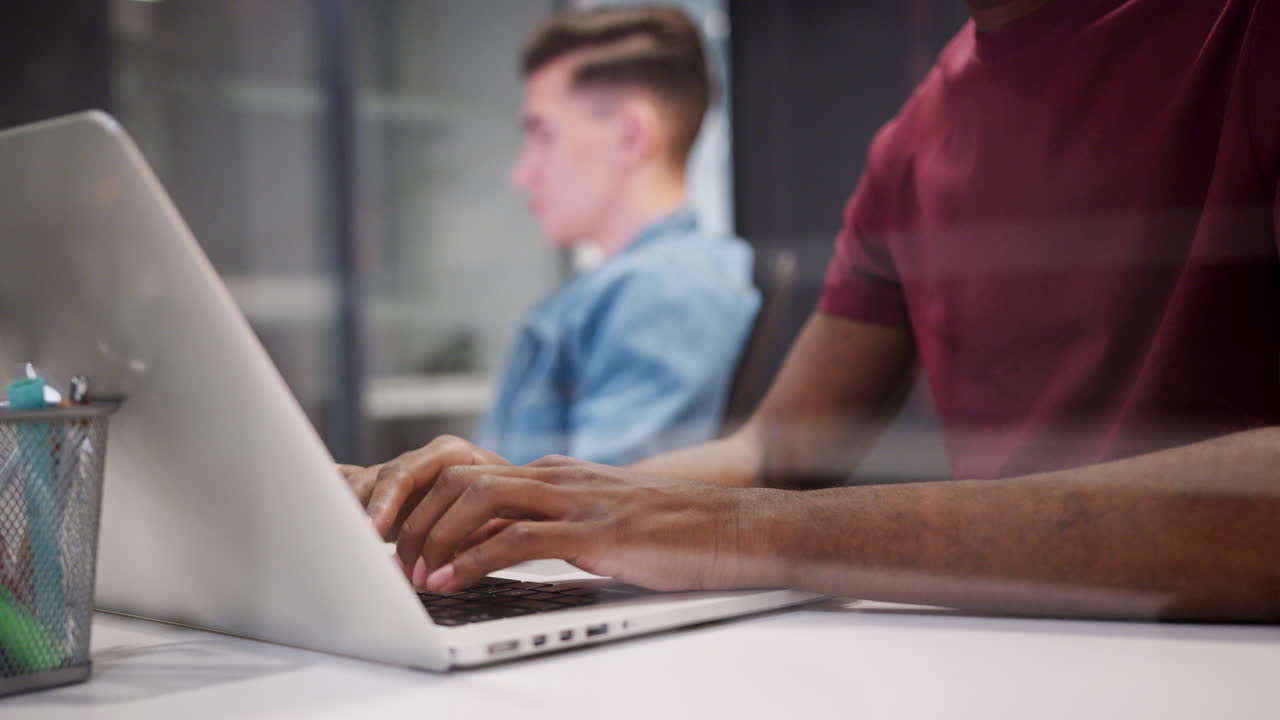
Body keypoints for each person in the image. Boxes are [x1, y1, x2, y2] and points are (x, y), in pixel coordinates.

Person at [343, 0, 1280, 622]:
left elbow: (765, 493)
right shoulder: (919, 135)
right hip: (1003, 649)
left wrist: (738, 530)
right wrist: (528, 497)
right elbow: (778, 450)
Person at [470, 5, 760, 466]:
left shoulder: (671, 290)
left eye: (544, 135)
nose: (522, 174)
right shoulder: (621, 291)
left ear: (630, 134)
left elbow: (602, 519)